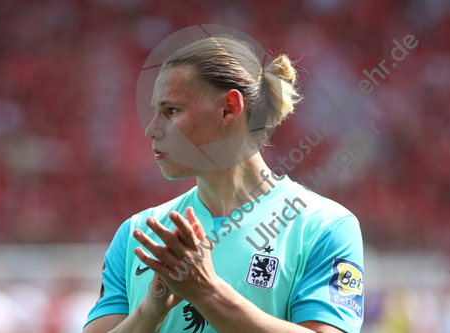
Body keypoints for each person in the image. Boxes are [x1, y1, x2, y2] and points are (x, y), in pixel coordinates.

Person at [82, 35, 364, 333]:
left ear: (229, 108)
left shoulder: (323, 227)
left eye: (172, 111)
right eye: (155, 111)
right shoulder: (138, 234)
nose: (152, 130)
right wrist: (151, 311)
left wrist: (207, 291)